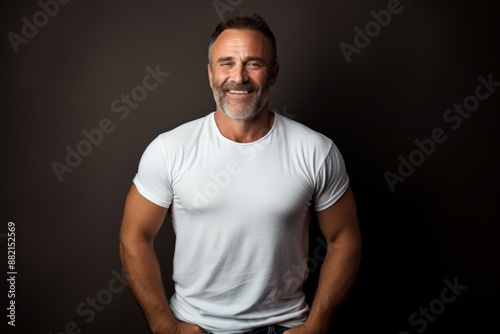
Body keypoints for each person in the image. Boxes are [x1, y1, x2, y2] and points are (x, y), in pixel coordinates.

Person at [119, 12, 361, 334]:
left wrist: (316, 326)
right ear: (210, 74)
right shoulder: (170, 149)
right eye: (227, 63)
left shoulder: (316, 150)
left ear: (273, 74)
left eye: (253, 63)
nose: (239, 76)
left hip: (281, 327)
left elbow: (345, 238)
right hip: (196, 328)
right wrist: (165, 327)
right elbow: (134, 236)